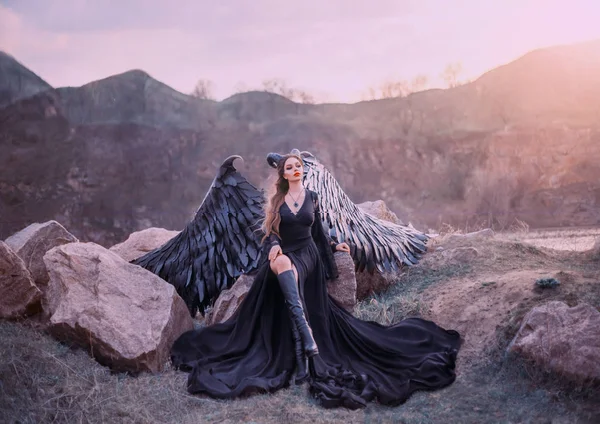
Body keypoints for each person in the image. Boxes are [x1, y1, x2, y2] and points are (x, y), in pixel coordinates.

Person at [171, 153, 461, 410]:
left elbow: (318, 230)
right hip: (285, 252)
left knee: (289, 271)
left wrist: (335, 246)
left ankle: (306, 347)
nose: (296, 169)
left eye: (298, 166)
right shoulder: (277, 201)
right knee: (280, 265)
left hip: (308, 255)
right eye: (290, 167)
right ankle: (308, 346)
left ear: (302, 171)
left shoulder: (311, 197)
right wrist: (272, 246)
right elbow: (270, 233)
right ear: (283, 174)